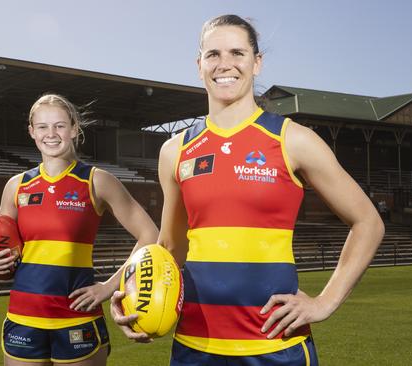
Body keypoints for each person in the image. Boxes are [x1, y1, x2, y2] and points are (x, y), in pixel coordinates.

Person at [110, 14, 385, 365]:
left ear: (257, 63)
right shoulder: (174, 151)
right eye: (213, 55)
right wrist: (135, 294)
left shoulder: (293, 140)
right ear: (199, 66)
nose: (224, 64)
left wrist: (324, 302)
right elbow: (170, 247)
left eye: (237, 53)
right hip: (195, 349)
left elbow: (368, 222)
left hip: (276, 349)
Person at [0, 94, 158, 366]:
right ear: (32, 131)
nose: (51, 134)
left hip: (77, 318)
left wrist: (108, 286)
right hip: (23, 319)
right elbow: (2, 249)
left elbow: (150, 235)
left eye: (59, 125)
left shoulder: (97, 181)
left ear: (74, 129)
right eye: (42, 127)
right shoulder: (16, 186)